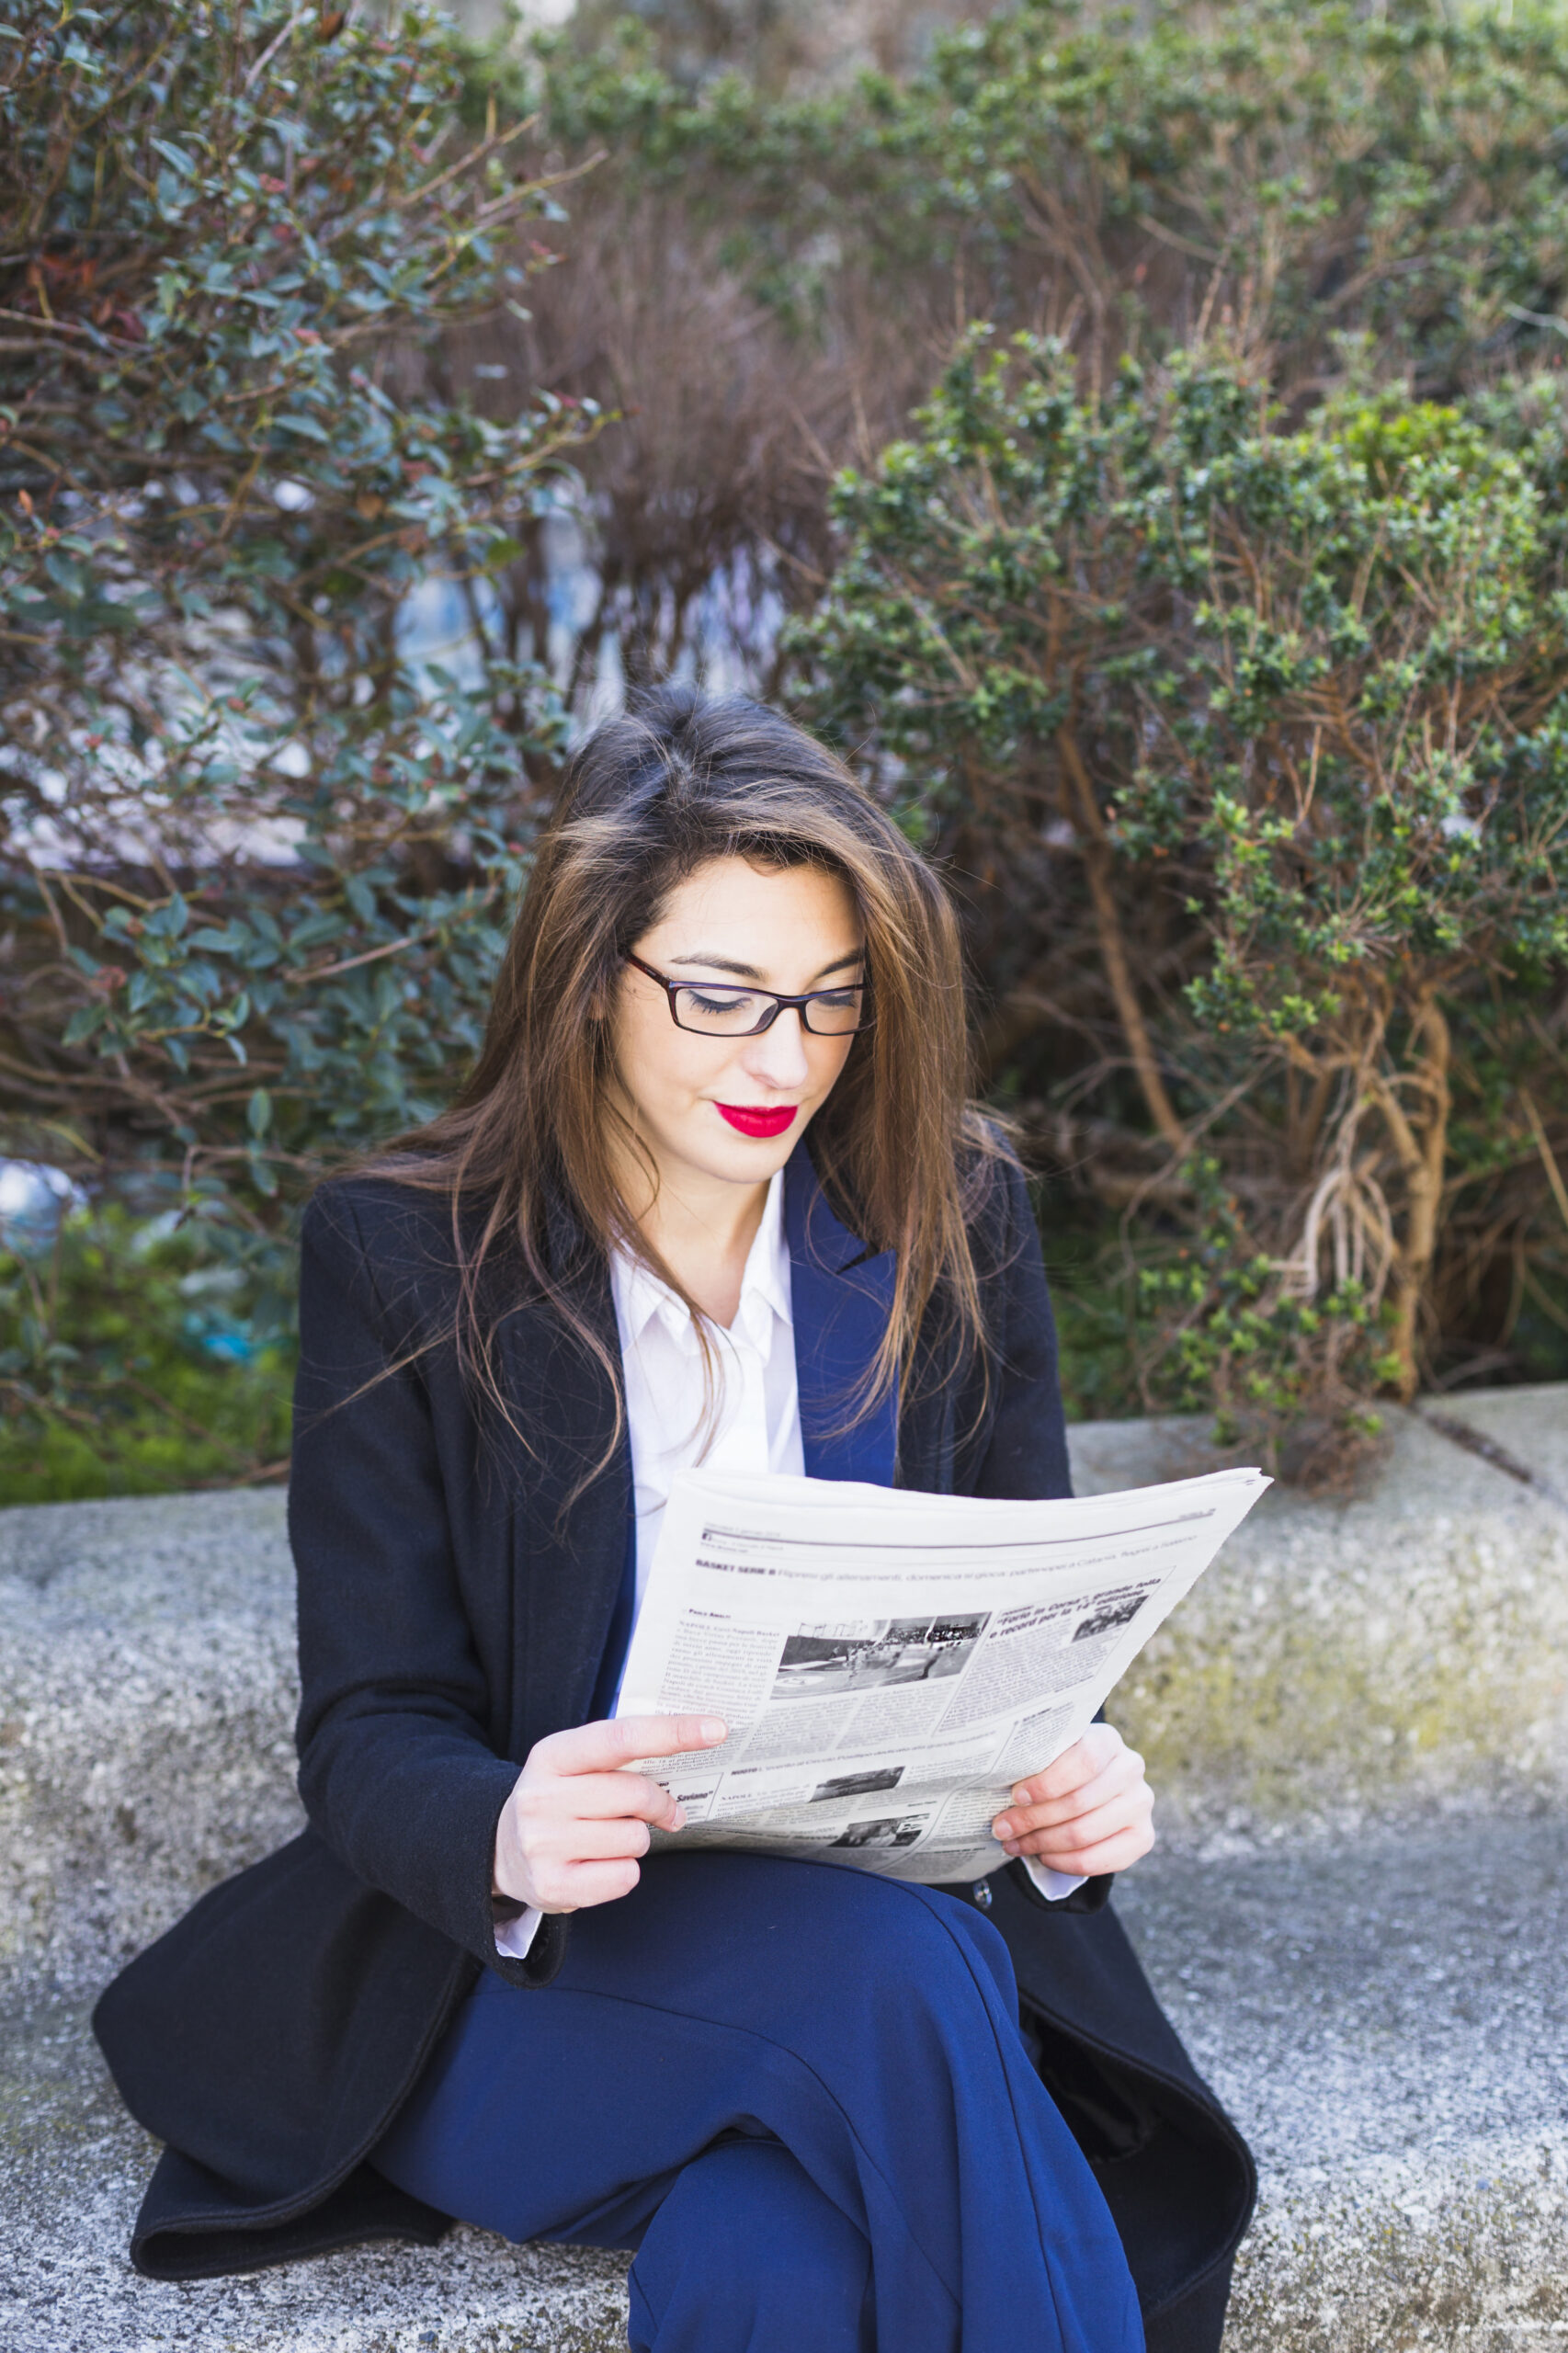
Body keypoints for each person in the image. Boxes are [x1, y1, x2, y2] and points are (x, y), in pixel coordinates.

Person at [94, 688, 1255, 2352]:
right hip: (536, 1993)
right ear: (589, 981)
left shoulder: (950, 1214)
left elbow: (1026, 1604)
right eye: (717, 999)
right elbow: (371, 1722)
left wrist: (1071, 1773)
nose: (780, 1060)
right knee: (903, 1982)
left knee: (782, 2255)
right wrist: (497, 1824)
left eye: (829, 1003)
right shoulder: (407, 1258)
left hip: (874, 1951)